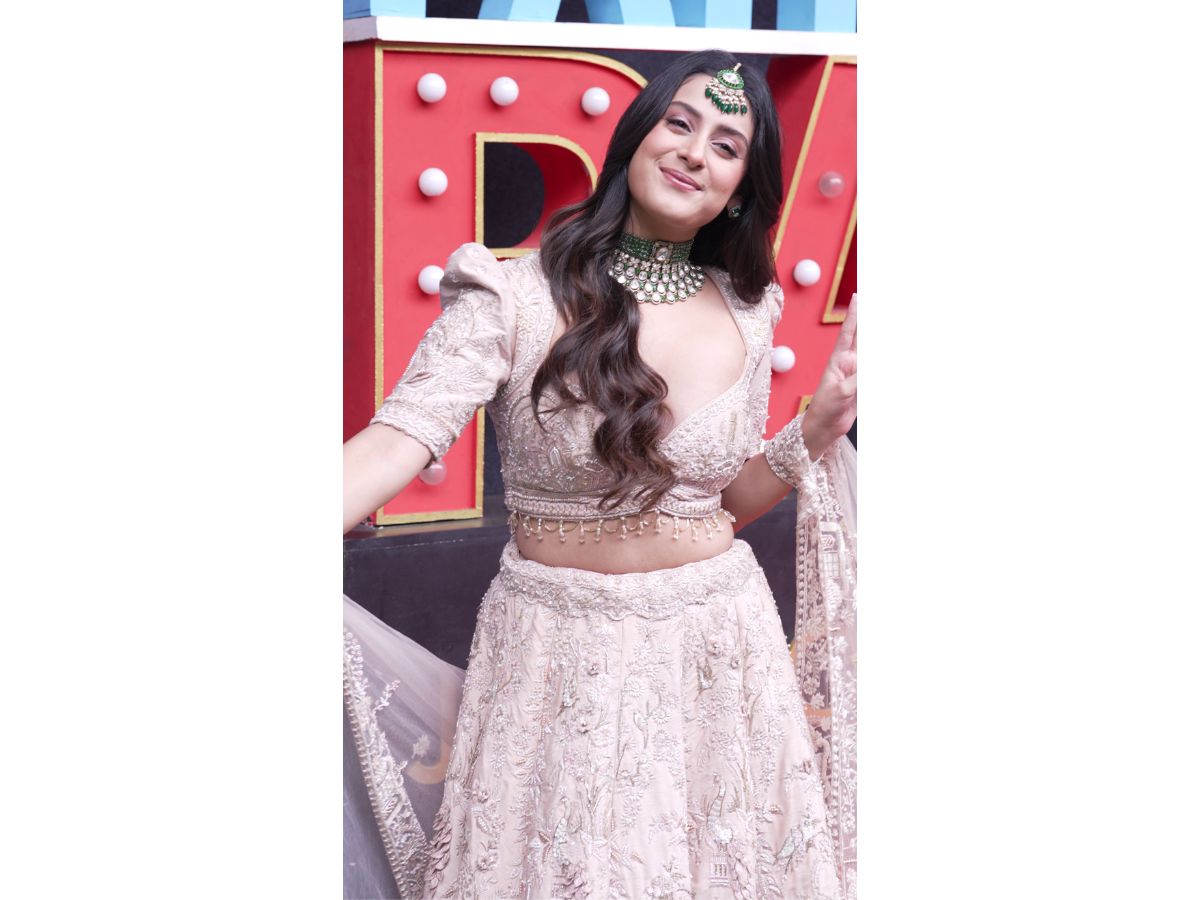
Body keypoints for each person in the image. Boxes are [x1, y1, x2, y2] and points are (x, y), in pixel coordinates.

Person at [342, 49, 858, 899]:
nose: (695, 151)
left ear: (740, 188)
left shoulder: (749, 308)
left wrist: (817, 427)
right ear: (636, 136)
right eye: (680, 123)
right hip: (555, 661)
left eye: (727, 144)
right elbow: (397, 441)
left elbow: (720, 505)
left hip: (716, 654)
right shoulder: (510, 296)